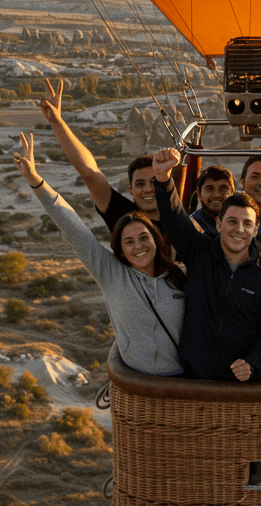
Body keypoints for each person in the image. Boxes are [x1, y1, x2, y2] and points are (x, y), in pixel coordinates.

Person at [13, 132, 185, 376]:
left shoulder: (181, 274)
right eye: (129, 241)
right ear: (120, 249)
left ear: (156, 240)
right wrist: (35, 180)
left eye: (144, 238)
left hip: (186, 383)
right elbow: (71, 226)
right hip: (140, 389)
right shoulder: (112, 274)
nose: (138, 246)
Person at [151, 148, 261, 382]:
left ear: (255, 230)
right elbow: (175, 218)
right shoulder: (198, 252)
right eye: (232, 221)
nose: (239, 230)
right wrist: (163, 179)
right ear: (220, 224)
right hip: (192, 378)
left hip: (239, 384)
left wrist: (254, 363)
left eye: (247, 224)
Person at [39, 79, 161, 235]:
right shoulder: (123, 215)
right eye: (140, 184)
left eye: (154, 182)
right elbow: (89, 172)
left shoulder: (181, 216)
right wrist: (57, 122)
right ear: (130, 190)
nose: (148, 190)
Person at [189, 165, 235, 235]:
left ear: (232, 192)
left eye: (223, 188)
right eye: (209, 188)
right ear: (199, 194)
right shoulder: (193, 226)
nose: (216, 195)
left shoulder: (243, 220)